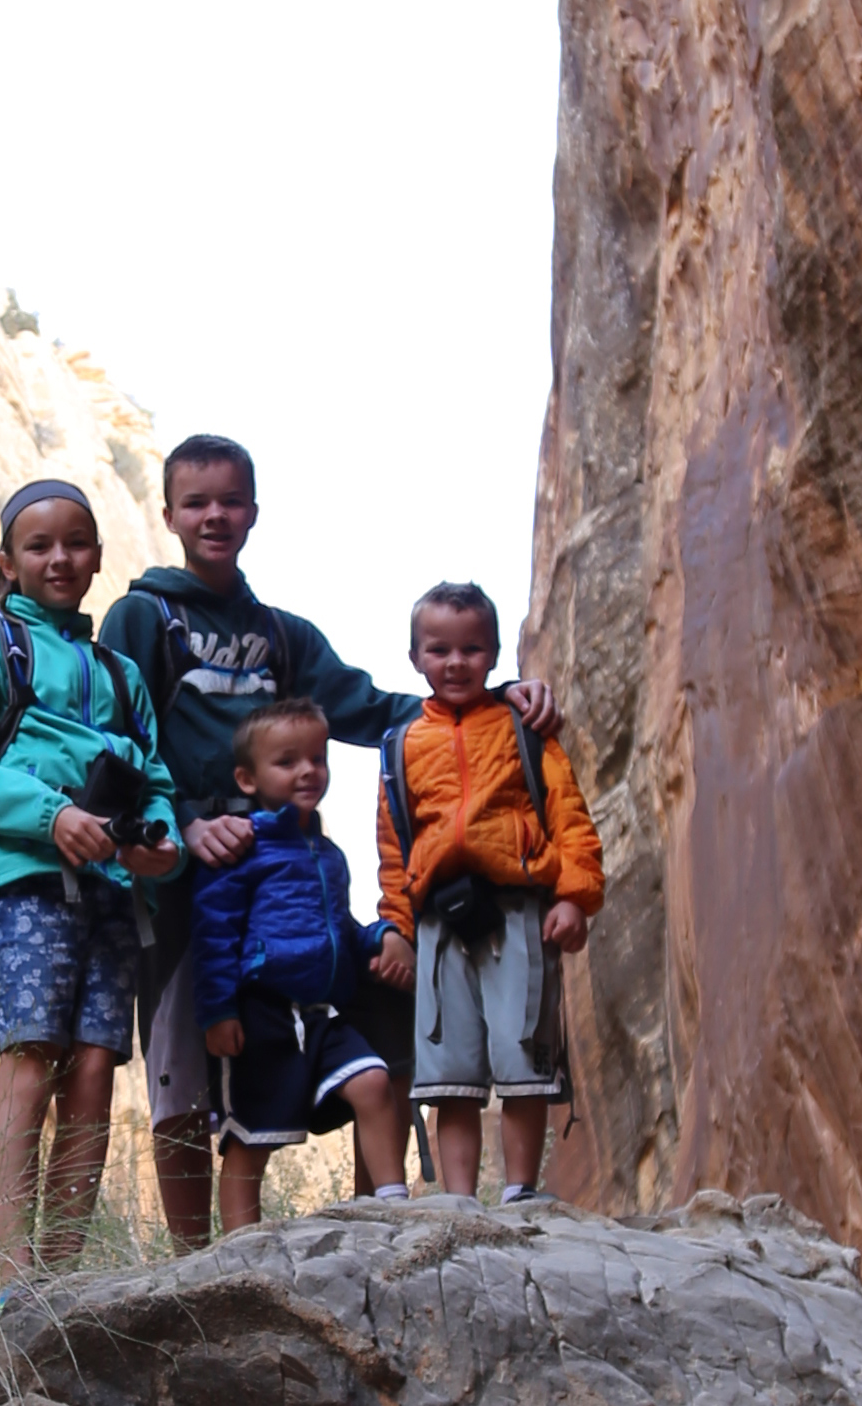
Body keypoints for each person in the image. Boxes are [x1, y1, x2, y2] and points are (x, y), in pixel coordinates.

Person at [102, 437, 550, 1249]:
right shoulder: (144, 618)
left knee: (385, 992)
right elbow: (121, 740)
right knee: (183, 1061)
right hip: (182, 879)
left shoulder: (281, 634)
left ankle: (376, 1212)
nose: (214, 516)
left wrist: (491, 702)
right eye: (197, 502)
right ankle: (193, 1257)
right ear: (168, 514)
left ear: (254, 513)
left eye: (230, 501)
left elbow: (373, 709)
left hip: (285, 877)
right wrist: (187, 823)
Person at [0, 480, 178, 1268]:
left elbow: (155, 778)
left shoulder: (121, 674)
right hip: (28, 882)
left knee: (96, 1069)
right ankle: (15, 1274)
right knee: (33, 1055)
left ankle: (63, 1272)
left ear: (98, 557)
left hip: (111, 890)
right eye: (39, 546)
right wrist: (53, 817)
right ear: (9, 561)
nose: (59, 558)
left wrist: (159, 845)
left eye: (75, 543)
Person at [374, 579, 604, 1205]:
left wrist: (573, 898)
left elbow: (569, 815)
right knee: (450, 1073)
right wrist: (397, 926)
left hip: (518, 909)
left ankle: (521, 1191)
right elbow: (394, 845)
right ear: (415, 656)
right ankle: (457, 1201)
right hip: (440, 921)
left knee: (524, 1052)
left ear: (496, 652)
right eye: (439, 649)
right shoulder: (401, 746)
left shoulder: (522, 727)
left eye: (472, 649)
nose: (455, 663)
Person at [191, 702, 416, 1229]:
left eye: (317, 757)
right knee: (250, 1136)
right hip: (261, 1011)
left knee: (375, 1083)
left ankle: (390, 1212)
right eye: (287, 761)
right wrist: (217, 1009)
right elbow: (215, 930)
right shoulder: (243, 846)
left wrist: (383, 937)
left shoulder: (328, 853)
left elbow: (341, 927)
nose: (308, 771)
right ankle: (240, 1251)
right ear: (247, 778)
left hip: (320, 1013)